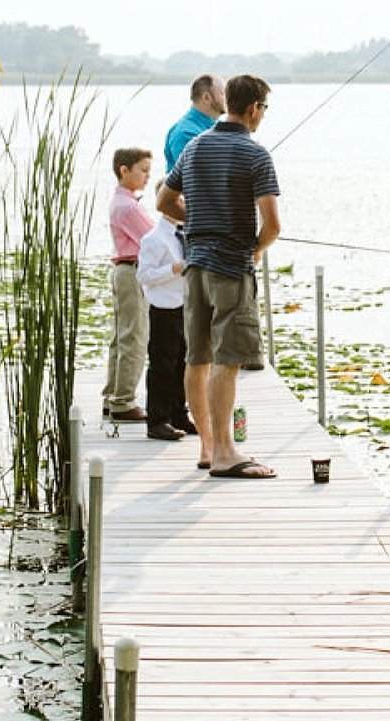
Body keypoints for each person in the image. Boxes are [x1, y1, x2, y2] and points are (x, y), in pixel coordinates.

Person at [157, 74, 280, 477]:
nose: (263, 116)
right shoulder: (255, 155)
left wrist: (198, 223)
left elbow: (164, 201)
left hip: (196, 266)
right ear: (253, 109)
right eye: (264, 108)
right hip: (230, 267)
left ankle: (209, 447)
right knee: (227, 360)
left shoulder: (193, 147)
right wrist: (254, 248)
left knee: (198, 357)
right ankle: (227, 453)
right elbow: (273, 225)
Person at [100, 147, 155, 424]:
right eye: (143, 170)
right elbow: (152, 239)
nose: (148, 176)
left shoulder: (123, 202)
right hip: (132, 272)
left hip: (125, 271)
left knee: (121, 337)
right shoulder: (127, 206)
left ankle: (113, 397)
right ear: (124, 170)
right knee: (135, 336)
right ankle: (123, 402)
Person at [136, 212, 193, 441]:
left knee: (182, 362)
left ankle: (179, 413)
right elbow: (144, 275)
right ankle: (157, 420)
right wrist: (173, 269)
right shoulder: (154, 238)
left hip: (184, 304)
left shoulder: (184, 233)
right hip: (163, 306)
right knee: (163, 364)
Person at [162, 74, 221, 176]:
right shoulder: (185, 133)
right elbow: (195, 177)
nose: (228, 99)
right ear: (206, 97)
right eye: (223, 93)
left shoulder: (213, 127)